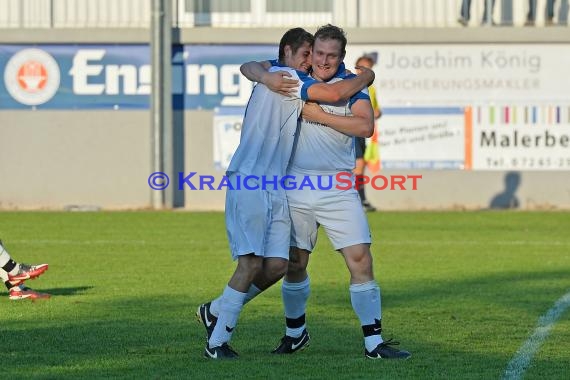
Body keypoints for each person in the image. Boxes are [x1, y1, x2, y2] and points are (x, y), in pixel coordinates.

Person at [196, 27, 375, 360]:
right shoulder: (288, 77)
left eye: (321, 55)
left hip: (280, 185)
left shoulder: (276, 72)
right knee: (251, 263)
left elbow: (250, 65)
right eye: (309, 54)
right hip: (251, 180)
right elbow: (334, 95)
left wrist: (260, 74)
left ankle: (216, 310)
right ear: (289, 54)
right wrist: (368, 76)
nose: (313, 62)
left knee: (279, 264)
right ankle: (217, 342)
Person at [243, 24, 411, 360]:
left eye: (331, 55)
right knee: (294, 262)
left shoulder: (349, 84)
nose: (322, 60)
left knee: (360, 258)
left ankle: (373, 343)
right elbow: (252, 66)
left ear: (341, 57)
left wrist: (319, 115)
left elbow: (365, 126)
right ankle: (295, 334)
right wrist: (262, 75)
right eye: (318, 53)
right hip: (297, 183)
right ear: (311, 52)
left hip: (338, 186)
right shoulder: (298, 78)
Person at [354, 54, 382, 212]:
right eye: (362, 68)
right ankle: (358, 199)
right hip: (353, 129)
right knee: (357, 165)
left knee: (360, 165)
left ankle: (360, 198)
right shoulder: (350, 85)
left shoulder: (371, 89)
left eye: (369, 68)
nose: (365, 71)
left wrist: (377, 112)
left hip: (363, 131)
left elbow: (376, 109)